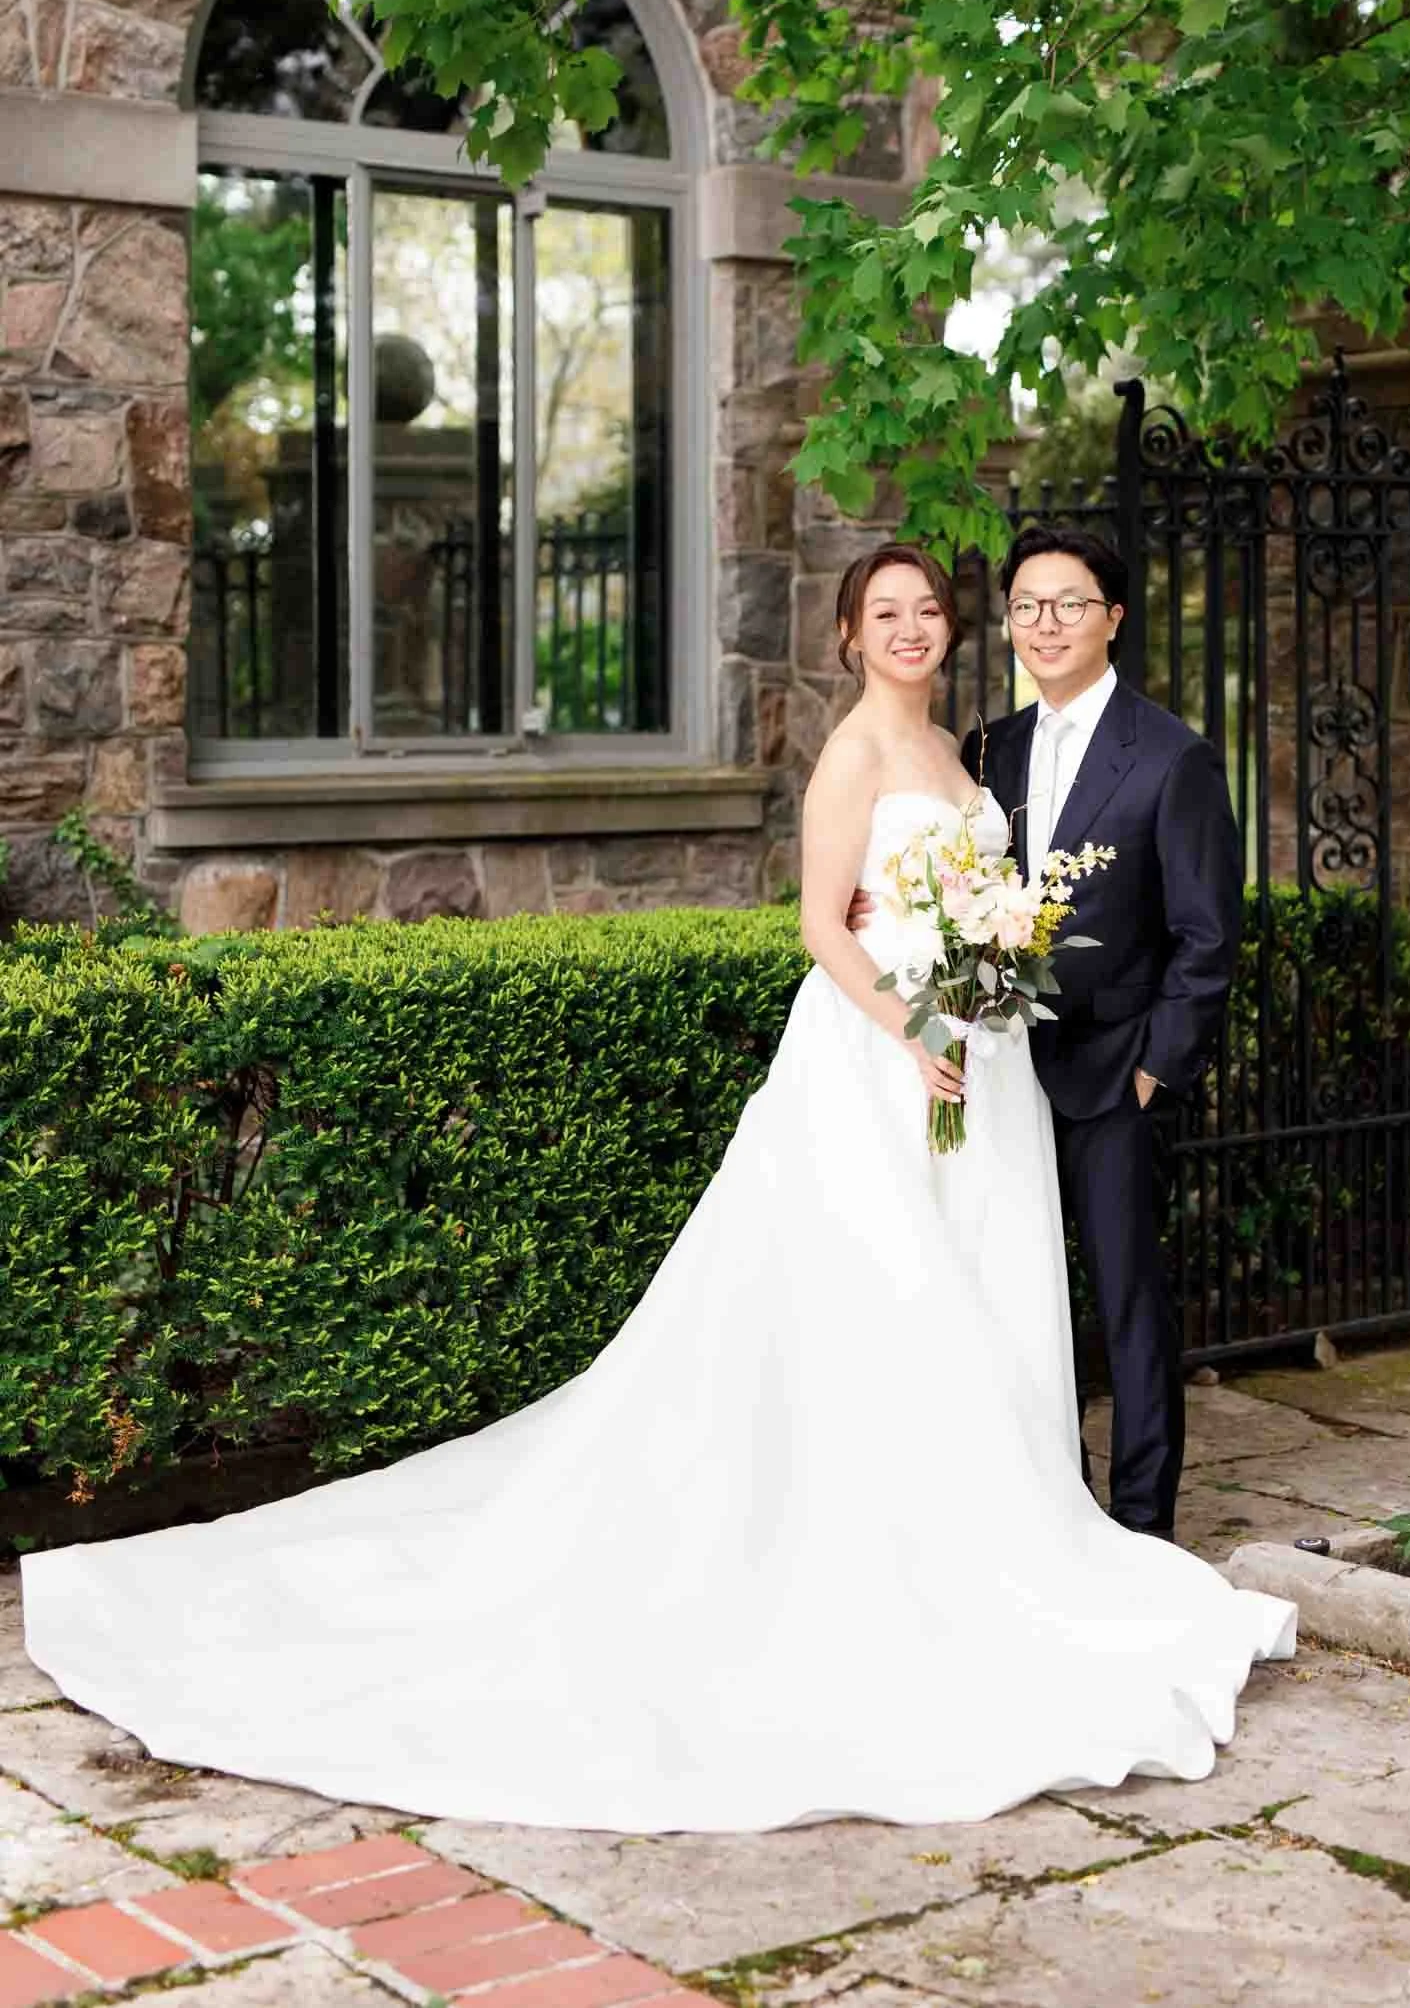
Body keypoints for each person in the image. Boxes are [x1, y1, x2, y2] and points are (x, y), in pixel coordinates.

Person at [22, 545, 1291, 1837]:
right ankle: (886, 1557)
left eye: (928, 612)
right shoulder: (852, 755)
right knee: (884, 1297)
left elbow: (1022, 906)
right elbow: (820, 922)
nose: (912, 629)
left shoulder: (975, 761)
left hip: (988, 1064)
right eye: (884, 614)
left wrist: (979, 1001)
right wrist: (910, 1024)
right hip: (882, 1059)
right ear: (848, 635)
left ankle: (1016, 1535)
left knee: (986, 1289)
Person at [970, 524, 1242, 1541]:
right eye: (1027, 604)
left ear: (1113, 618)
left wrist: (1155, 1073)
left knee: (1128, 1305)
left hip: (1114, 1075)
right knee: (1012, 1295)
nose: (1046, 622)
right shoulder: (987, 746)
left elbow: (1207, 937)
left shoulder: (1172, 757)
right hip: (1001, 1071)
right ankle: (1041, 1507)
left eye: (1069, 602)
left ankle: (1139, 1525)